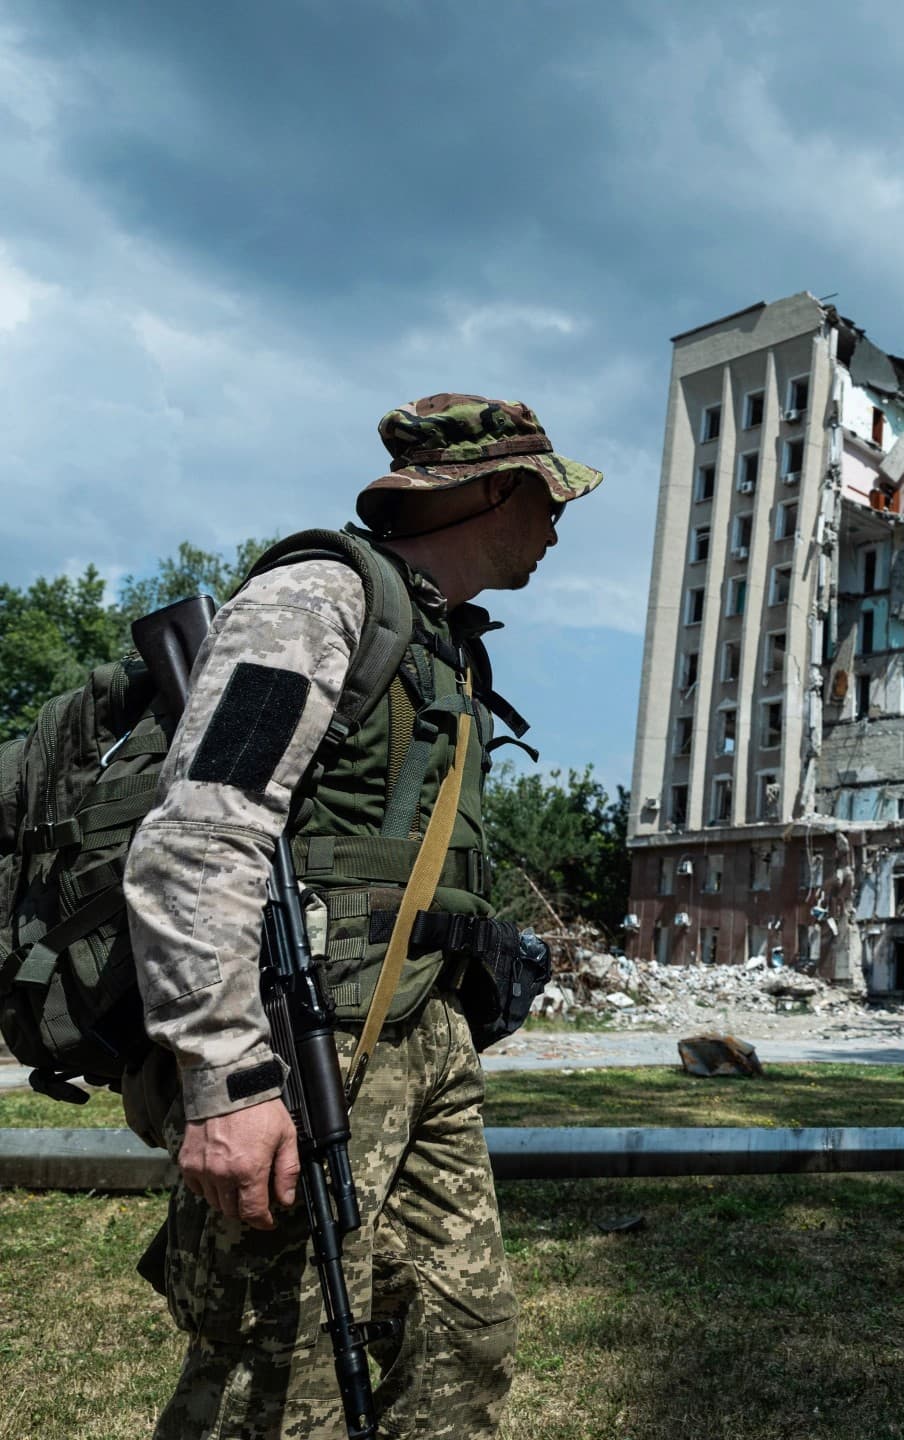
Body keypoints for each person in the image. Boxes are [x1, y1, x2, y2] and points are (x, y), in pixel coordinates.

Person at [123, 394, 603, 1438]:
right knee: (277, 1372)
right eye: (543, 493)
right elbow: (201, 830)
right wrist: (224, 1076)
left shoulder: (446, 642)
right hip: (310, 1050)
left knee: (459, 1344)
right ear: (482, 491)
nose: (560, 519)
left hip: (427, 1034)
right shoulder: (315, 597)